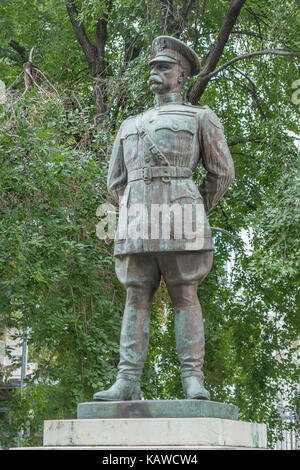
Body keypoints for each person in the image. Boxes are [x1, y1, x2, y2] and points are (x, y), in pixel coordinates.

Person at [93, 36, 235, 401]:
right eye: (152, 67)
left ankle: (193, 381)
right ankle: (127, 382)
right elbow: (116, 182)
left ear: (181, 74)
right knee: (135, 296)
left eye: (163, 67)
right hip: (138, 223)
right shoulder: (130, 124)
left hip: (182, 219)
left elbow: (222, 173)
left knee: (185, 294)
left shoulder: (200, 118)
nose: (154, 73)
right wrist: (138, 210)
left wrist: (193, 208)